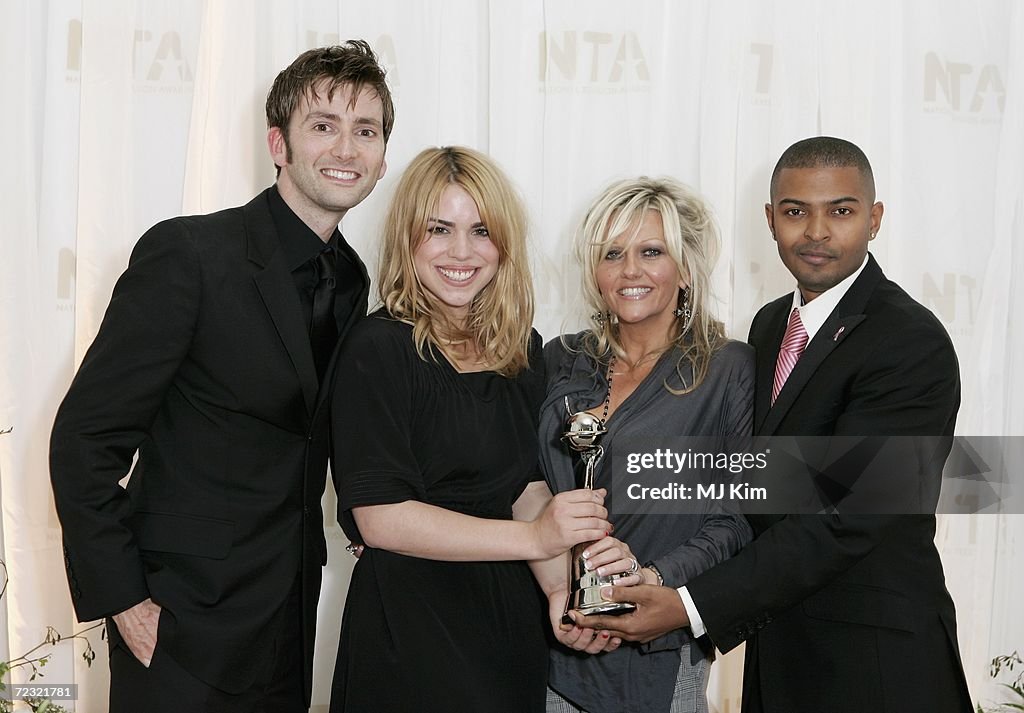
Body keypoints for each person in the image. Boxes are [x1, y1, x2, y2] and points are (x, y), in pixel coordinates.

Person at [48, 41, 393, 713]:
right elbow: (83, 441)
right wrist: (123, 597)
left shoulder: (352, 280)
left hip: (289, 621)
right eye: (323, 125)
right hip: (180, 625)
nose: (346, 148)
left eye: (366, 130)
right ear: (278, 142)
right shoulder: (190, 256)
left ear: (382, 155)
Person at [585, 137, 974, 712]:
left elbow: (847, 516)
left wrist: (688, 603)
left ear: (875, 218)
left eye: (840, 211)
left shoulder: (909, 341)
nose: (816, 231)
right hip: (781, 652)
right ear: (770, 220)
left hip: (876, 664)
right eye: (796, 211)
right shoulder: (769, 326)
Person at [328, 145, 611, 713]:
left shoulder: (521, 350)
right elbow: (380, 517)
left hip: (507, 628)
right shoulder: (377, 346)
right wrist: (534, 540)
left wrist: (559, 589)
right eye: (439, 228)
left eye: (481, 230)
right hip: (408, 628)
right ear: (409, 239)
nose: (461, 251)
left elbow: (525, 489)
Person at [536, 177, 753, 713]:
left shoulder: (728, 368)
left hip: (655, 651)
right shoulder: (558, 359)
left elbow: (738, 518)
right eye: (613, 254)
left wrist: (652, 579)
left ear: (685, 267)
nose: (630, 270)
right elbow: (523, 482)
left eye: (651, 251)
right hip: (544, 639)